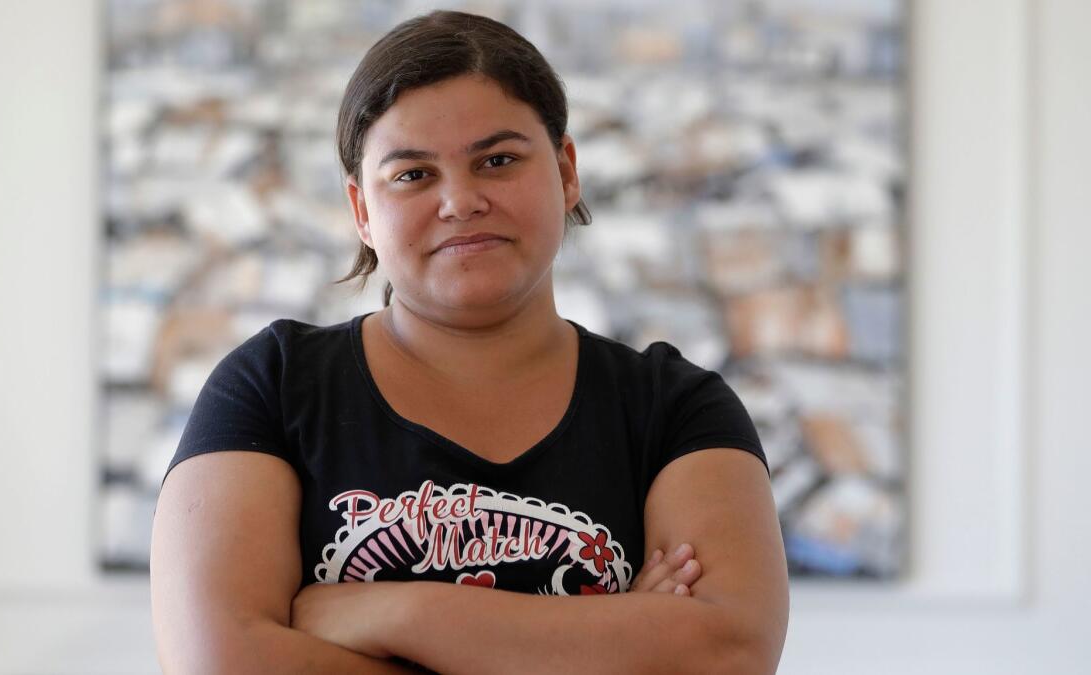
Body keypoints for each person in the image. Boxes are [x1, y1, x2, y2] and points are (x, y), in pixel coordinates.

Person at [151, 9, 788, 674]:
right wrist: (611, 637)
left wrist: (394, 614)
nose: (460, 200)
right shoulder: (273, 387)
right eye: (413, 174)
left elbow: (726, 651)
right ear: (362, 210)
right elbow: (218, 662)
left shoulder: (676, 407)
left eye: (499, 159)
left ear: (567, 172)